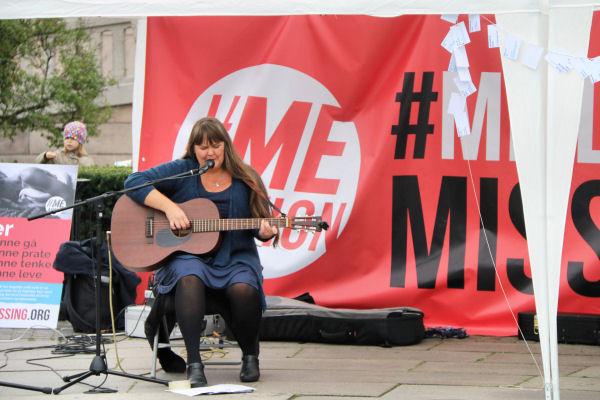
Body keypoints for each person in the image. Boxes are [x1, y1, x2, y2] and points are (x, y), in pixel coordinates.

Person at [123, 117, 279, 387]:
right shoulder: (184, 171)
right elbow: (133, 181)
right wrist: (170, 208)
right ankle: (194, 362)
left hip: (235, 257)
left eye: (216, 146)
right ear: (193, 149)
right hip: (189, 256)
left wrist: (265, 231)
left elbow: (258, 223)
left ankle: (250, 356)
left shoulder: (246, 178)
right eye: (203, 147)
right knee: (189, 276)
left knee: (244, 287)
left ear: (226, 146)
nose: (210, 153)